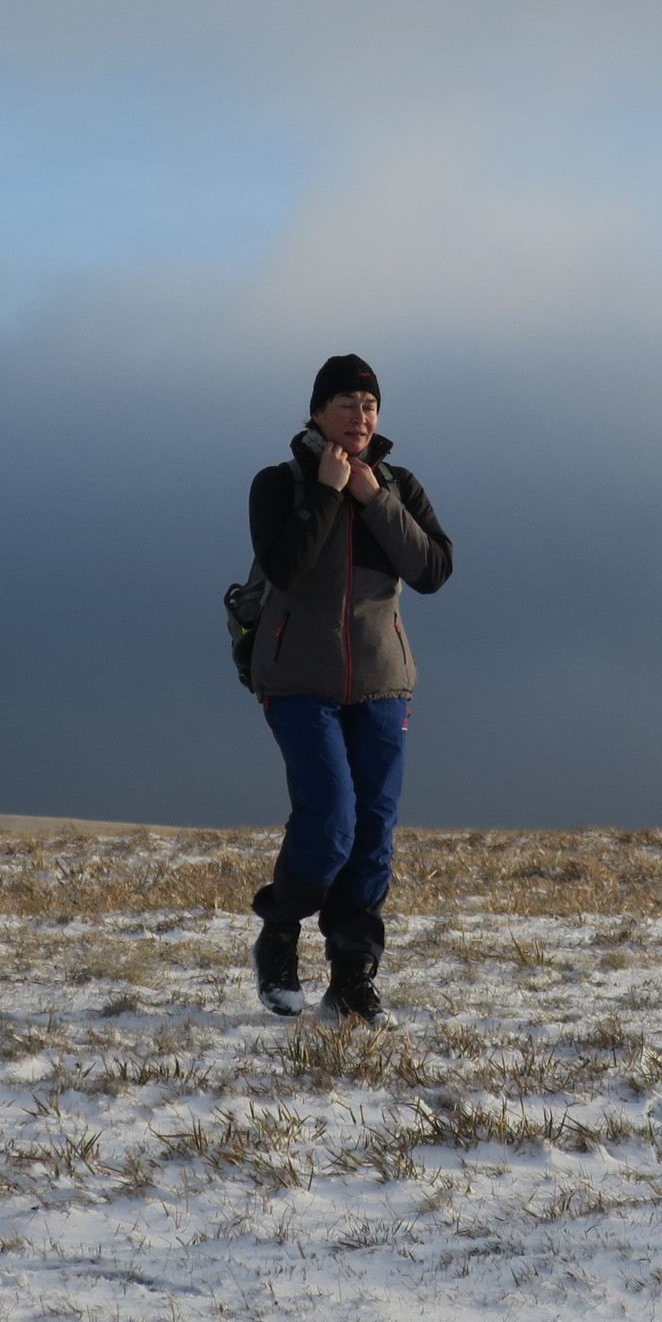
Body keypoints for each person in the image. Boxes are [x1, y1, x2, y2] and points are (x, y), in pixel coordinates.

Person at [246, 354, 454, 1024]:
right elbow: (286, 566)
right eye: (346, 404)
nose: (361, 417)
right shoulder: (278, 484)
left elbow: (433, 570)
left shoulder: (397, 485)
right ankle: (280, 934)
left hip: (382, 683)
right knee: (331, 819)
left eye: (370, 406)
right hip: (298, 681)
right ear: (317, 412)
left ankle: (353, 979)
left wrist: (374, 500)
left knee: (373, 834)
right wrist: (329, 493)